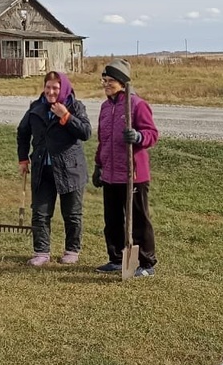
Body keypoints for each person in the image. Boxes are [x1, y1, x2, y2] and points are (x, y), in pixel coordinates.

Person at [16, 71, 93, 266]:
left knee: (72, 213)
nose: (51, 92)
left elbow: (85, 133)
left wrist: (66, 116)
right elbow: (23, 132)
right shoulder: (36, 108)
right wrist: (23, 159)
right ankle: (41, 252)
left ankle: (72, 250)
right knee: (40, 212)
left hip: (70, 168)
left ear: (63, 89)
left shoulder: (75, 106)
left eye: (56, 88)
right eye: (48, 87)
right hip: (43, 168)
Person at [93, 58, 159, 277]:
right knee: (112, 220)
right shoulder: (105, 108)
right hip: (111, 173)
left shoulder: (137, 105)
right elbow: (103, 140)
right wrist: (98, 166)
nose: (106, 84)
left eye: (111, 80)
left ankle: (146, 263)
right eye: (104, 80)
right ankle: (116, 259)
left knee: (139, 220)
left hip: (134, 174)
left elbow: (152, 134)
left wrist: (139, 136)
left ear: (122, 82)